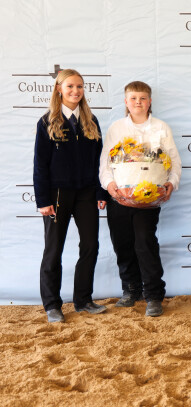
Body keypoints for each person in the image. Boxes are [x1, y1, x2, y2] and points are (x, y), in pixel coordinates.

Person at [99, 81, 181, 317]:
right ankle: (130, 290)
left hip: (148, 200)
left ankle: (153, 295)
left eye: (142, 98)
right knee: (122, 245)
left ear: (150, 101)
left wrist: (171, 183)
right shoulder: (116, 128)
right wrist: (110, 186)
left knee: (145, 244)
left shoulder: (161, 127)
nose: (138, 102)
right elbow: (106, 163)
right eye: (133, 98)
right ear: (126, 102)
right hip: (119, 199)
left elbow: (174, 161)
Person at [33, 69, 108, 323]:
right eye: (70, 87)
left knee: (90, 245)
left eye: (80, 87)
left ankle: (83, 300)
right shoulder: (46, 123)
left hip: (87, 193)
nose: (75, 91)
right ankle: (52, 305)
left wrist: (100, 192)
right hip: (56, 195)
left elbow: (99, 161)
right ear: (59, 89)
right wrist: (43, 200)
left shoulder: (91, 121)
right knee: (53, 250)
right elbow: (40, 164)